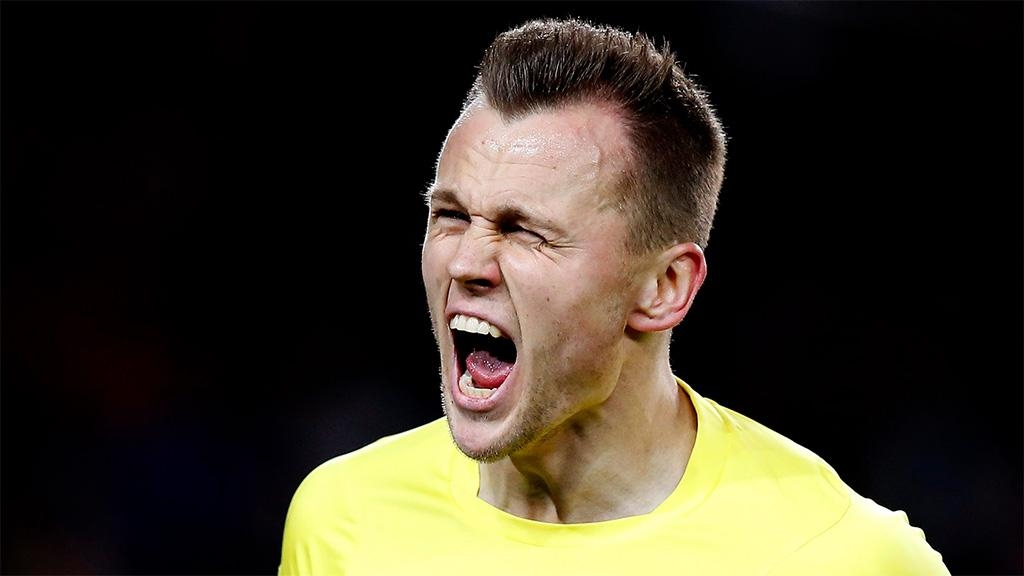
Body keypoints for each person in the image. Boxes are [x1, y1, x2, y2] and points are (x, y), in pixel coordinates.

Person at [278, 16, 950, 575]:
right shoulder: (342, 521)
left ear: (664, 287)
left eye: (525, 231)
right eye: (451, 216)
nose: (466, 262)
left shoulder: (838, 555)